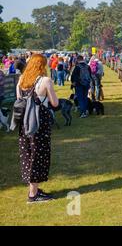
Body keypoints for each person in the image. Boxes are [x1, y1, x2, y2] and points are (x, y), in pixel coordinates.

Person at [16, 54, 59, 203]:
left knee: (28, 155)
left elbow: (19, 100)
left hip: (24, 124)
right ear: (42, 65)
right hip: (39, 125)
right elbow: (54, 103)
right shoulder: (45, 81)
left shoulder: (21, 80)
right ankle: (33, 195)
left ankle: (33, 189)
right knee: (38, 156)